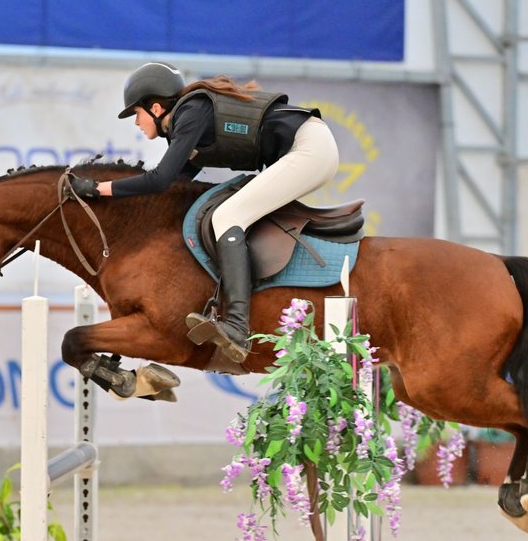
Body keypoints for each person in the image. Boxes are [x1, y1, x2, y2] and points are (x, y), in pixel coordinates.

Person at [70, 62, 340, 363]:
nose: (136, 122)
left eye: (136, 113)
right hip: (307, 147)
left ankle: (237, 325)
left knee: (226, 217)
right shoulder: (190, 120)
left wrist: (99, 189)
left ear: (156, 108)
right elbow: (174, 186)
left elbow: (159, 179)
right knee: (227, 212)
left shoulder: (191, 113)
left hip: (309, 149)